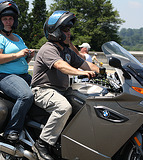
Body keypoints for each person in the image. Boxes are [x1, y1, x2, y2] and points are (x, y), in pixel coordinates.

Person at [31, 10, 100, 160]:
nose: (69, 34)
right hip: (43, 90)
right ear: (55, 32)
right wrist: (80, 73)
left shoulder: (67, 51)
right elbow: (61, 66)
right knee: (64, 107)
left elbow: (85, 64)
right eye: (66, 30)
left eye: (69, 30)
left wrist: (102, 70)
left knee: (87, 106)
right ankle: (41, 144)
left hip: (62, 91)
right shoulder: (48, 49)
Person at [0, 0, 34, 142]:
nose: (8, 22)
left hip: (22, 76)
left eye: (11, 18)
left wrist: (27, 57)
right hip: (4, 76)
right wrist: (18, 54)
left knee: (44, 92)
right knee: (26, 96)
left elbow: (20, 62)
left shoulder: (18, 38)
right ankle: (11, 131)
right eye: (5, 19)